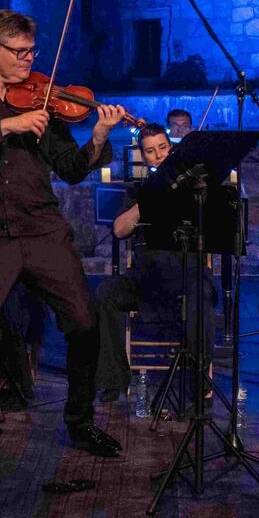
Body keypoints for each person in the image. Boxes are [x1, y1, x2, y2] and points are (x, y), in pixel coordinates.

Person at [0, 8, 126, 467]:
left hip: (40, 228)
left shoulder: (44, 101)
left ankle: (80, 421)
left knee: (84, 321)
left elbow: (72, 169)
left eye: (31, 52)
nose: (27, 60)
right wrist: (6, 126)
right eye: (18, 52)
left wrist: (99, 135)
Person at [92, 122, 216, 402]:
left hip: (187, 274)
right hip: (146, 277)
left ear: (171, 149)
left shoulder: (192, 186)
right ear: (143, 156)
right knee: (105, 294)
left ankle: (199, 381)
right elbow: (119, 229)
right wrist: (147, 200)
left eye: (163, 148)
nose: (158, 155)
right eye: (150, 151)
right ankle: (113, 381)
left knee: (202, 294)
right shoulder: (139, 190)